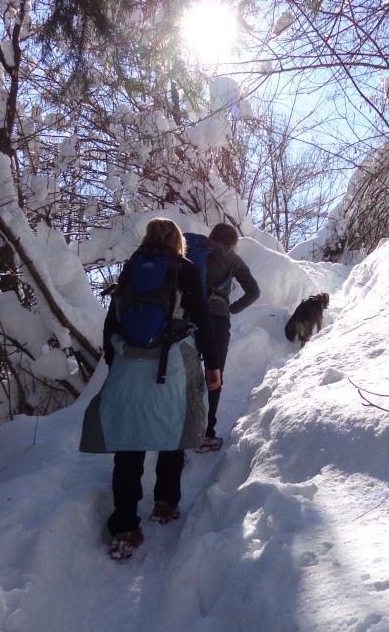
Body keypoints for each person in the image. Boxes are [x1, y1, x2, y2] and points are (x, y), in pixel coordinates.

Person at [80, 218, 221, 559]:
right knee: (172, 432)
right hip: (170, 363)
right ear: (177, 242)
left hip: (130, 363)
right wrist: (213, 364)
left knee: (129, 444)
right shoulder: (183, 269)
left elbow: (111, 321)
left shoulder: (130, 268)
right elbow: (201, 317)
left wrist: (117, 365)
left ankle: (125, 526)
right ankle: (165, 504)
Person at [197, 223, 260, 452]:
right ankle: (207, 434)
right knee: (214, 375)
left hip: (189, 321)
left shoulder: (195, 252)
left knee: (185, 375)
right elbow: (254, 291)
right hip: (217, 320)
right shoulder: (232, 259)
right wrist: (230, 308)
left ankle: (179, 435)